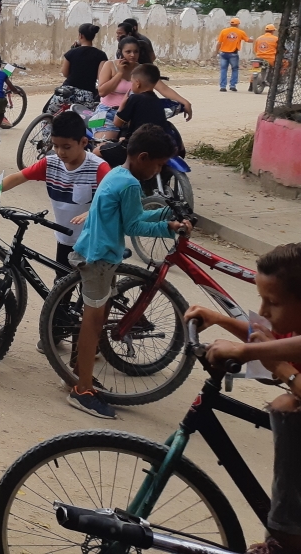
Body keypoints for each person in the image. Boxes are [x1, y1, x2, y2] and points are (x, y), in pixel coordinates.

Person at [184, 243, 301, 554]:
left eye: (272, 302)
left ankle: (286, 540)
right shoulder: (291, 326)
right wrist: (219, 319)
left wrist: (278, 367)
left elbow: (269, 352)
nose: (263, 311)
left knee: (288, 408)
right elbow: (266, 340)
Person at [67, 124, 189, 419]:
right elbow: (134, 226)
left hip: (97, 252)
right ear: (143, 157)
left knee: (97, 318)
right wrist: (168, 227)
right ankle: (82, 390)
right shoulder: (130, 185)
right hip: (98, 258)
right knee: (93, 323)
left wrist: (165, 216)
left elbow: (132, 216)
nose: (158, 171)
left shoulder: (117, 174)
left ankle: (79, 371)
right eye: (158, 165)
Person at [0, 110, 108, 267]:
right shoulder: (50, 163)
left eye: (67, 147)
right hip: (65, 239)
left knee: (90, 282)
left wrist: (92, 212)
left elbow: (115, 200)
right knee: (62, 279)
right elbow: (17, 177)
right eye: (56, 146)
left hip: (94, 241)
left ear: (83, 142)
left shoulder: (99, 168)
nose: (60, 152)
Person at [60, 23, 107, 108]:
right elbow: (100, 77)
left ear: (80, 35)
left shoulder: (71, 53)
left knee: (48, 111)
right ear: (93, 36)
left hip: (67, 91)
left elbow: (65, 73)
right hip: (87, 93)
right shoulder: (101, 55)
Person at [216, 17, 252, 92]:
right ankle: (232, 86)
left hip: (223, 53)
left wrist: (216, 51)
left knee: (223, 69)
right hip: (233, 54)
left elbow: (219, 43)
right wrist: (254, 40)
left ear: (230, 24)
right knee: (234, 69)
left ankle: (223, 87)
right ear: (238, 24)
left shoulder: (224, 31)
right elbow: (248, 40)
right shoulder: (240, 32)